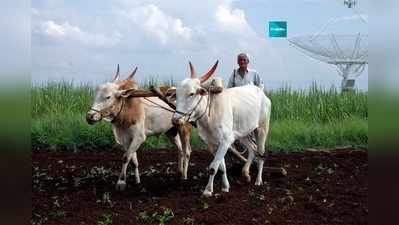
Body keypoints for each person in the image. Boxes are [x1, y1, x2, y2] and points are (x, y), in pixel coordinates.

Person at [227, 53, 264, 158]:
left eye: (244, 60)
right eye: (240, 60)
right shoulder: (234, 74)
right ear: (237, 62)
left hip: (251, 108)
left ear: (248, 62)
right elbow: (229, 89)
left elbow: (260, 86)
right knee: (238, 132)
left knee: (252, 131)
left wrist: (258, 98)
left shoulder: (254, 74)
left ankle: (256, 153)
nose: (242, 62)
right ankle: (241, 155)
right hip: (238, 108)